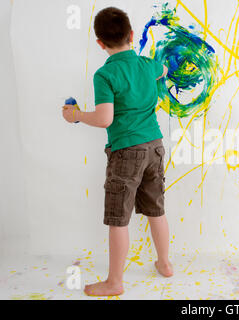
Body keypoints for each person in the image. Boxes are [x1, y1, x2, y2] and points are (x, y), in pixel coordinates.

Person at [62, 7, 172, 296]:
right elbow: (164, 70)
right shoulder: (148, 66)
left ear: (100, 43)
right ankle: (165, 263)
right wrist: (155, 72)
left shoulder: (105, 74)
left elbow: (104, 119)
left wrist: (76, 115)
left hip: (126, 152)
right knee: (156, 210)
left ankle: (114, 282)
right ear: (132, 35)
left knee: (118, 219)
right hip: (155, 146)